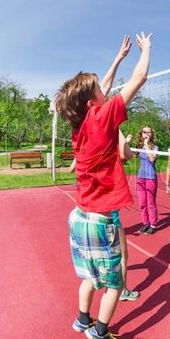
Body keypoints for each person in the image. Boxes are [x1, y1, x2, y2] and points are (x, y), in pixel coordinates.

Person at [55, 32, 152, 339]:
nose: (104, 89)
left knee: (88, 277)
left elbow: (103, 88)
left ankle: (81, 319)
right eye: (98, 88)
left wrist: (117, 58)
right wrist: (145, 50)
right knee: (115, 283)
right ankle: (100, 331)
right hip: (100, 219)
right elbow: (140, 78)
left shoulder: (79, 123)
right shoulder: (104, 115)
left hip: (79, 216)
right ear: (91, 101)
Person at [69, 130, 140, 303]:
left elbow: (72, 168)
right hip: (107, 209)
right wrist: (115, 127)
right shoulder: (108, 142)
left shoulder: (87, 142)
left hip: (87, 209)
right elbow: (128, 154)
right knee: (122, 254)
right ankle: (121, 290)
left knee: (94, 258)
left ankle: (84, 315)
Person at [135, 126, 159, 235]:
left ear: (151, 134)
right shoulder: (139, 146)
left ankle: (153, 224)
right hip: (141, 177)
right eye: (144, 132)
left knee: (150, 203)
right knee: (142, 203)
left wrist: (146, 145)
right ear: (141, 134)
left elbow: (152, 158)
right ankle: (145, 223)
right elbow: (132, 155)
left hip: (150, 177)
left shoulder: (155, 147)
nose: (147, 134)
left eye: (149, 132)